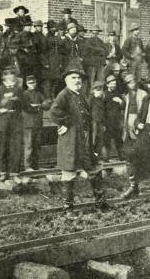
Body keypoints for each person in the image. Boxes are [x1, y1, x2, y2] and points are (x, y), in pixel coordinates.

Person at [50, 68, 109, 212]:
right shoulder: (63, 95)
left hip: (84, 142)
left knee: (94, 171)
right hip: (71, 143)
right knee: (69, 174)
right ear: (66, 81)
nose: (77, 81)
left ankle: (101, 204)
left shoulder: (80, 96)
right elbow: (54, 112)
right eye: (73, 78)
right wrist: (67, 123)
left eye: (79, 78)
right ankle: (68, 208)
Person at [0, 70, 24, 181]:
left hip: (16, 121)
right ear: (4, 79)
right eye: (10, 78)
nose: (13, 80)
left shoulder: (18, 90)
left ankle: (15, 173)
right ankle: (3, 172)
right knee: (3, 148)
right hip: (2, 122)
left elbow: (24, 104)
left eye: (14, 78)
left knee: (16, 148)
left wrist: (17, 101)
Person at [21, 75, 47, 171]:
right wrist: (38, 107)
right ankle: (27, 166)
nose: (32, 85)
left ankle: (35, 165)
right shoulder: (24, 94)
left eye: (34, 83)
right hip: (28, 124)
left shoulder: (39, 94)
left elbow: (47, 104)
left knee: (37, 145)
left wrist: (37, 106)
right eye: (30, 83)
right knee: (29, 145)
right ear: (27, 84)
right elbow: (25, 107)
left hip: (37, 123)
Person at [122, 73, 147, 147]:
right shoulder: (127, 96)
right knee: (131, 133)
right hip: (130, 116)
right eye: (129, 83)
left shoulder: (143, 93)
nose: (131, 84)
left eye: (133, 82)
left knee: (140, 133)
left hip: (139, 116)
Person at [104, 74, 125, 160]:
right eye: (111, 84)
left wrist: (120, 102)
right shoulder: (104, 95)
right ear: (107, 84)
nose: (113, 85)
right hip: (108, 122)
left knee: (119, 140)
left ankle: (121, 157)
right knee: (107, 141)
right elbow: (102, 109)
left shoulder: (118, 94)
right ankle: (106, 158)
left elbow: (123, 107)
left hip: (117, 121)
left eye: (114, 84)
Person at [43, 20, 63, 100]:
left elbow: (60, 50)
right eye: (51, 28)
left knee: (56, 80)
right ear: (48, 29)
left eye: (54, 28)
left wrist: (60, 62)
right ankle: (48, 97)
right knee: (49, 80)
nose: (53, 29)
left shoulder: (56, 38)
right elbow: (43, 51)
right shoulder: (45, 38)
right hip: (49, 61)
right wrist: (46, 62)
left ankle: (54, 96)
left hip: (56, 61)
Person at [84, 25, 108, 90]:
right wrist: (100, 50)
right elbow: (90, 49)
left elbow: (106, 51)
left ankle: (99, 96)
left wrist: (100, 51)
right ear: (91, 32)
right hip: (92, 64)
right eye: (94, 32)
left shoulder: (100, 41)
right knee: (91, 81)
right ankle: (90, 97)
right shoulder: (88, 41)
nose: (95, 33)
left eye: (97, 32)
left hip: (100, 64)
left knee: (100, 81)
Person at [89, 81, 107, 163]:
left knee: (101, 139)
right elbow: (88, 110)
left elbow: (104, 111)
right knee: (93, 138)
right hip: (94, 122)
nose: (99, 90)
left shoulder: (102, 99)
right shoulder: (91, 98)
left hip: (101, 122)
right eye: (97, 88)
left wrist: (104, 123)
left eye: (100, 88)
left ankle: (99, 156)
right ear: (94, 90)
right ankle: (92, 156)